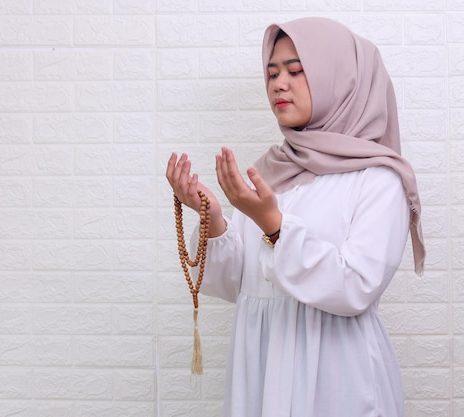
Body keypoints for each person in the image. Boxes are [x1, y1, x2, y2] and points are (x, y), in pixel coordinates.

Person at [166, 16, 425, 417]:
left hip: (336, 378)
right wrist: (215, 219)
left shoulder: (378, 179)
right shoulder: (271, 171)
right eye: (271, 73)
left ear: (340, 80)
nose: (278, 84)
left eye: (295, 70)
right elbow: (243, 283)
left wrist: (273, 225)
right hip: (262, 367)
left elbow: (356, 286)